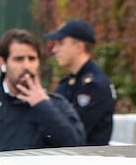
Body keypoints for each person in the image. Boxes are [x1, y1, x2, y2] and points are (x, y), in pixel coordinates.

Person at [0, 29, 85, 156]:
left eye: (32, 59)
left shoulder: (56, 106)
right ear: (2, 62)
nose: (26, 66)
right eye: (19, 59)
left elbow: (75, 148)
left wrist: (43, 105)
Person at [45, 19, 115, 147]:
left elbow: (73, 130)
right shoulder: (68, 83)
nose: (55, 49)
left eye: (61, 43)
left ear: (79, 47)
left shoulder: (95, 85)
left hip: (88, 161)